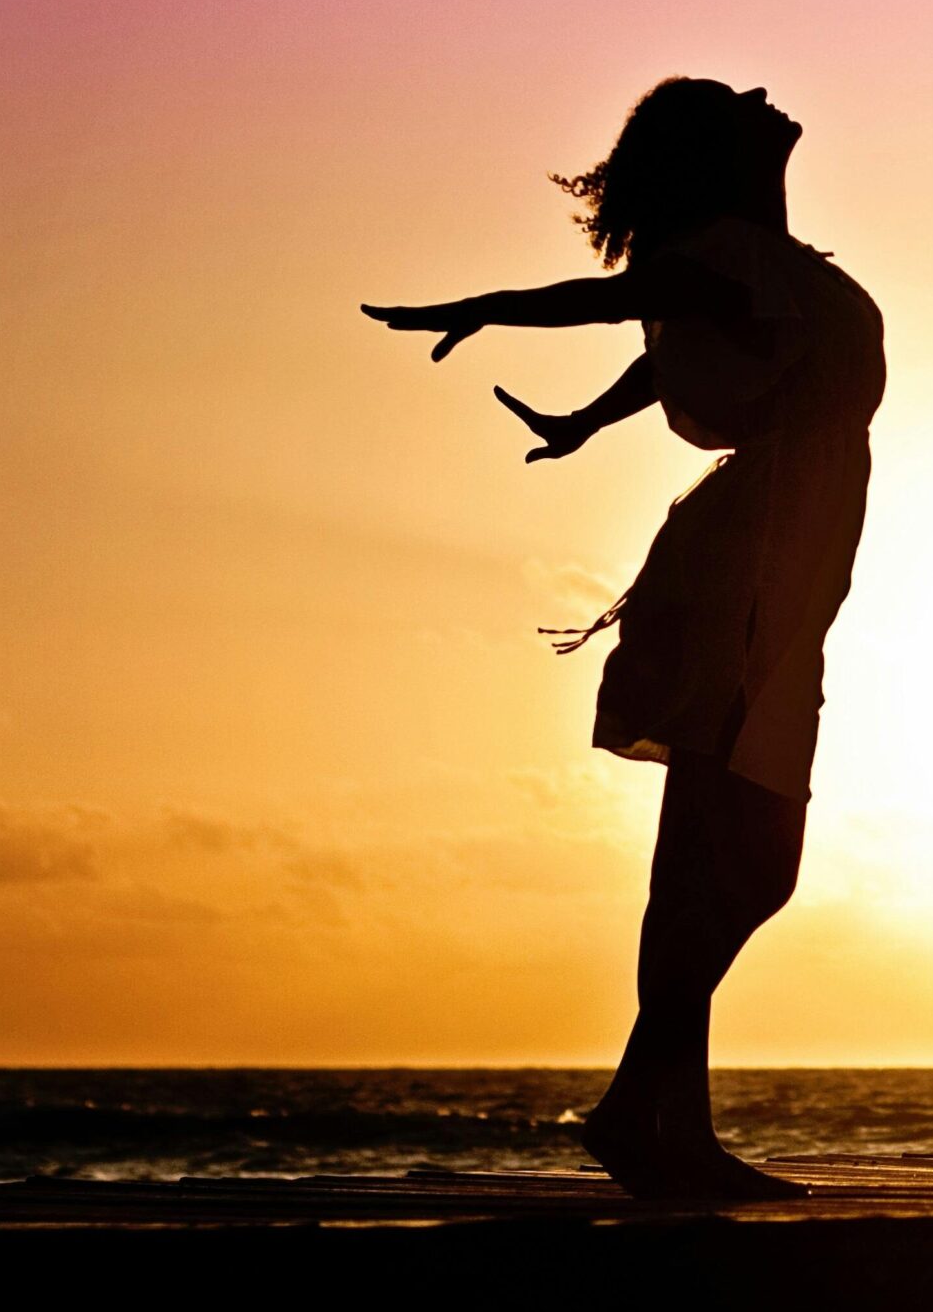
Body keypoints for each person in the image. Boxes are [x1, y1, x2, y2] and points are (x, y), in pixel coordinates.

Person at [362, 78, 885, 1199]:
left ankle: (654, 1118)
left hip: (774, 553)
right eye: (735, 101)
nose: (762, 93)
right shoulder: (732, 249)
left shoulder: (763, 264)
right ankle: (649, 1114)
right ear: (718, 153)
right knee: (738, 857)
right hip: (753, 561)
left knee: (718, 856)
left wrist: (585, 421)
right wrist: (490, 306)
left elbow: (689, 339)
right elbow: (617, 305)